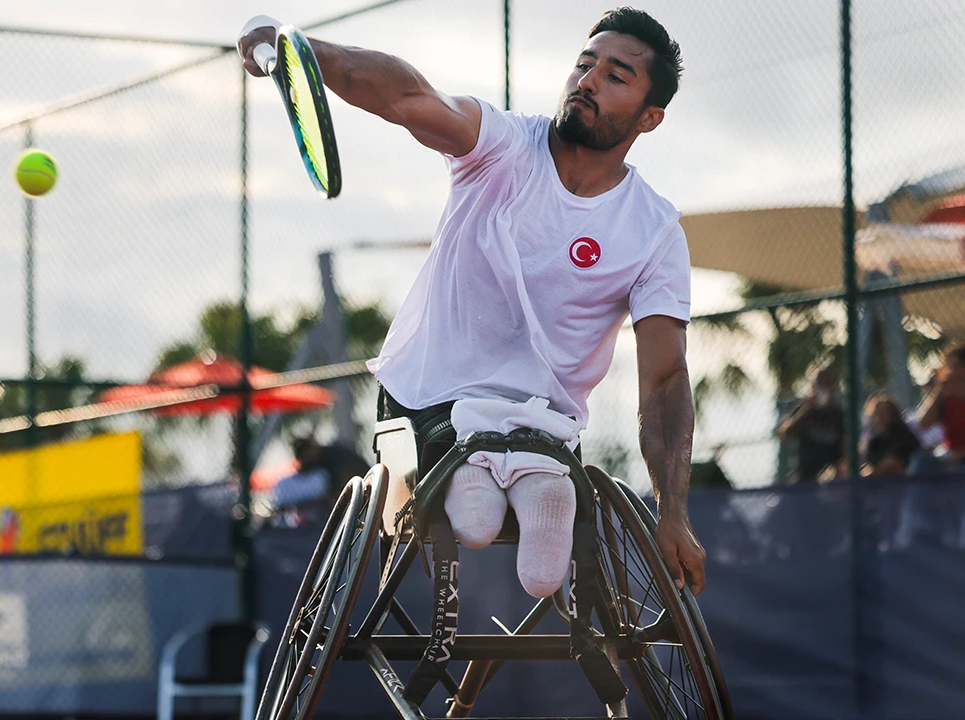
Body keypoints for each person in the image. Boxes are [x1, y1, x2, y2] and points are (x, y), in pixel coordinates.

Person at [241, 7, 706, 598]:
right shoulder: (504, 145)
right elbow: (408, 98)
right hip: (426, 401)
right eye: (584, 65)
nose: (588, 80)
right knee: (477, 518)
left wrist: (673, 512)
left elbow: (665, 381)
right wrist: (301, 51)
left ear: (650, 117)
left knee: (545, 552)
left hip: (543, 427)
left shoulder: (654, 231)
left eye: (616, 76)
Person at [777, 362, 845, 483]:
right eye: (819, 385)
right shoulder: (805, 410)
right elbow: (785, 434)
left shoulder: (839, 414)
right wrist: (805, 410)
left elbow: (845, 447)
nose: (823, 389)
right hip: (805, 476)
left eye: (827, 384)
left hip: (832, 478)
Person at [917, 343, 965, 469]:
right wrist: (939, 392)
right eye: (948, 367)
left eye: (955, 366)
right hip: (951, 457)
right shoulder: (946, 397)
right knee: (921, 461)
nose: (950, 372)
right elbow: (923, 424)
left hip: (959, 459)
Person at [292, 435, 373, 501]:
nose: (308, 457)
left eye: (307, 454)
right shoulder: (317, 462)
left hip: (364, 483)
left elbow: (345, 476)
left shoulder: (333, 454)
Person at [861, 392, 921, 476]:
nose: (878, 418)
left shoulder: (905, 436)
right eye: (876, 413)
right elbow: (872, 463)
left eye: (882, 412)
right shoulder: (875, 442)